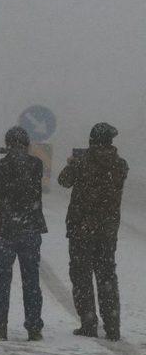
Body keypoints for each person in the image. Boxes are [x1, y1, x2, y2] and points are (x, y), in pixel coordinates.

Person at [58, 122, 128, 341]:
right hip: (107, 232)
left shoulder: (82, 163)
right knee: (107, 276)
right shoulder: (120, 165)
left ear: (92, 140)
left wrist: (72, 163)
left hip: (81, 229)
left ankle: (89, 322)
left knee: (81, 276)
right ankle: (113, 326)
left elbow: (63, 181)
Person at [0, 126, 47, 341]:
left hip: (4, 229)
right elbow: (35, 192)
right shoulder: (36, 165)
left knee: (1, 280)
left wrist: (4, 206)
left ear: (8, 144)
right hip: (29, 228)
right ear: (26, 145)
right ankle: (34, 328)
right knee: (31, 281)